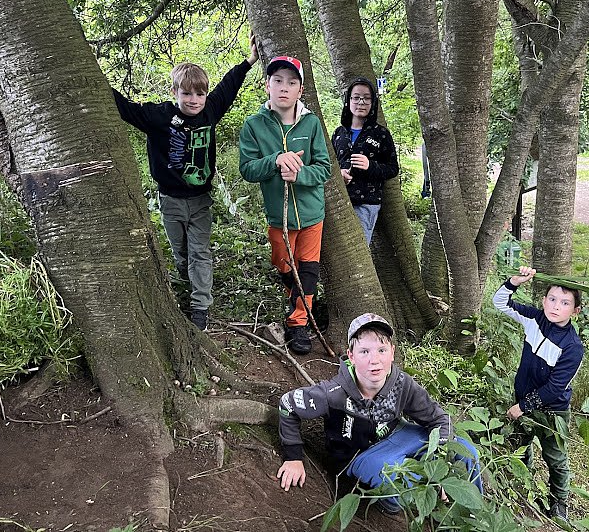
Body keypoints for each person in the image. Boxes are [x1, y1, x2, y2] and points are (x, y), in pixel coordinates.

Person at [112, 35, 259, 331]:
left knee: (200, 252)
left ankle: (200, 306)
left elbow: (228, 86)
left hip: (201, 200)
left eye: (200, 94)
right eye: (187, 94)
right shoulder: (159, 117)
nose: (194, 100)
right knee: (181, 253)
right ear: (175, 92)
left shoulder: (210, 111)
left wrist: (249, 61)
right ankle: (186, 280)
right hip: (171, 200)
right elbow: (125, 108)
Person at [276, 313, 484, 515]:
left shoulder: (402, 384)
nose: (374, 360)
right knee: (397, 480)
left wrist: (442, 461)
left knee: (468, 453)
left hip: (399, 434)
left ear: (392, 352)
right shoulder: (334, 393)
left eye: (382, 350)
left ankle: (475, 515)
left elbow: (438, 418)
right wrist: (293, 457)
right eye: (364, 351)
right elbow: (288, 404)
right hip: (360, 456)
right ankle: (403, 503)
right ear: (351, 356)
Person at [239, 56, 331, 355]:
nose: (284, 87)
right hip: (279, 217)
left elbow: (324, 168)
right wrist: (275, 160)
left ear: (300, 90)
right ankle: (300, 301)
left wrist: (299, 174)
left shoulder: (311, 123)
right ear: (267, 85)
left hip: (312, 214)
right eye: (277, 80)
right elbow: (247, 169)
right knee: (284, 265)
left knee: (308, 270)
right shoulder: (254, 125)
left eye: (292, 82)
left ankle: (298, 323)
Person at [492, 266, 584, 521]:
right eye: (552, 299)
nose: (556, 306)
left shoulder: (572, 348)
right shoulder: (534, 319)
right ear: (543, 301)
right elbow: (500, 302)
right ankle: (522, 482)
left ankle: (559, 503)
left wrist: (523, 406)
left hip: (552, 412)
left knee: (555, 457)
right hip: (522, 399)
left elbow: (555, 388)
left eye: (565, 303)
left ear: (575, 311)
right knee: (521, 443)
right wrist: (514, 281)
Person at [331, 77, 398, 244]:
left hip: (366, 203)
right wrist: (339, 174)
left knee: (358, 247)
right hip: (339, 200)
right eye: (356, 98)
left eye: (366, 98)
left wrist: (370, 166)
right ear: (348, 100)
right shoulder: (339, 133)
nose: (361, 102)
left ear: (373, 102)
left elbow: (392, 168)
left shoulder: (381, 134)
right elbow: (330, 163)